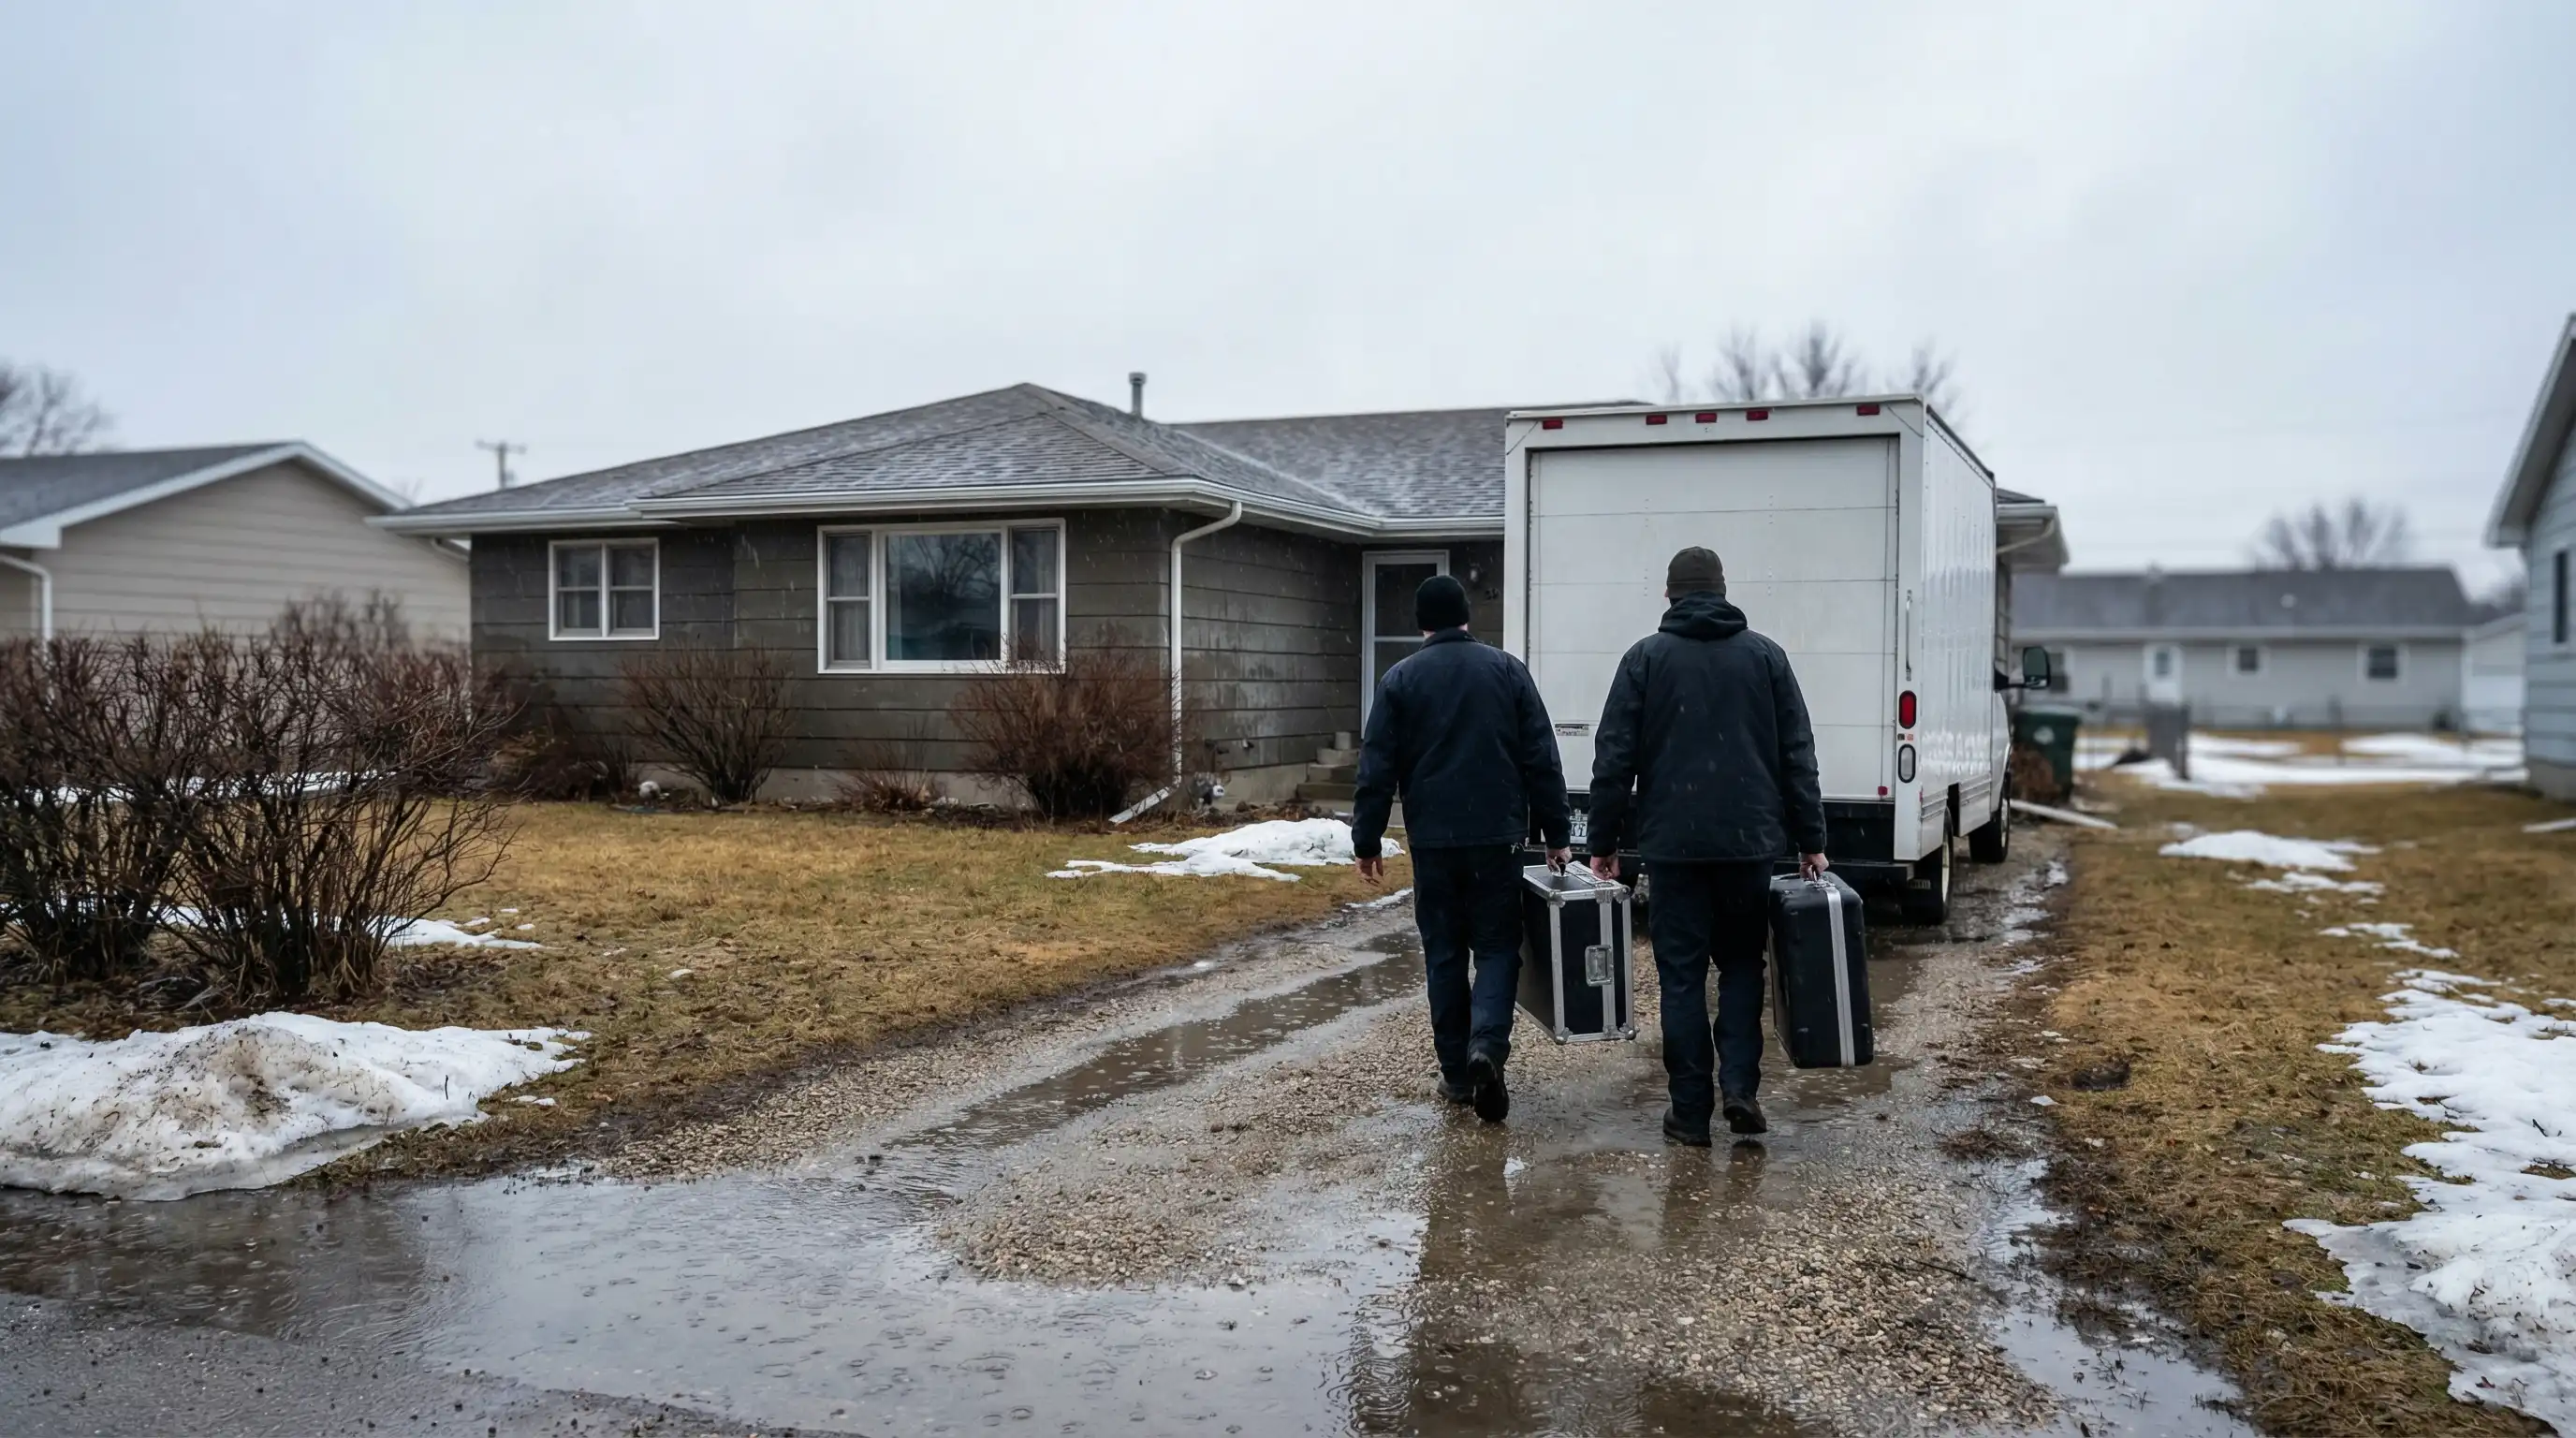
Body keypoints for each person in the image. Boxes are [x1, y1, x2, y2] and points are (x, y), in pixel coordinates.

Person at [1585, 547, 1827, 1147]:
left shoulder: (1644, 659)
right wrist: (1811, 840)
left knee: (1683, 978)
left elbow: (1613, 758)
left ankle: (1689, 1112)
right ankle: (1741, 1089)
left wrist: (1604, 842)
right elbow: (1797, 755)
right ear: (1722, 591)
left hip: (1674, 849)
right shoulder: (1766, 658)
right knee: (1743, 966)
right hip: (1749, 845)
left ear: (1670, 595)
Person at [1353, 573, 1572, 1123]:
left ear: (1421, 623)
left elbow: (1377, 766)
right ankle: (1488, 1048)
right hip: (1498, 837)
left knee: (1445, 953)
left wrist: (1368, 837)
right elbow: (1540, 757)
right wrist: (1556, 834)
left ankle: (1455, 1071)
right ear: (1467, 616)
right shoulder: (1506, 671)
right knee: (1499, 947)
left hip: (1433, 841)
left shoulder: (1400, 679)